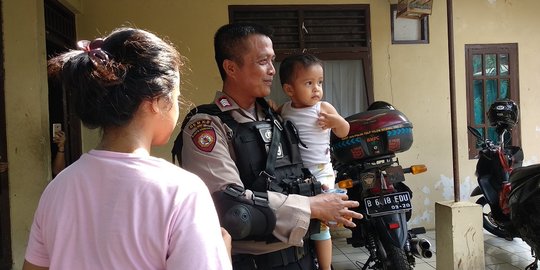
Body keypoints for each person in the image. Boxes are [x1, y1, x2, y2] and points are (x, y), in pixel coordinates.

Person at [23, 27, 231, 270]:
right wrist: (222, 253)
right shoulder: (182, 191)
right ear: (156, 101)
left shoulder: (57, 188)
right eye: (176, 96)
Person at [175, 22, 362, 270]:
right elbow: (231, 207)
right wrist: (311, 207)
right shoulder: (208, 126)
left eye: (273, 61)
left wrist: (328, 204)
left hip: (304, 256)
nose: (272, 70)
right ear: (231, 67)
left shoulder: (279, 117)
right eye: (263, 61)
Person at [276, 53, 350, 270]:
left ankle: (326, 267)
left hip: (320, 171)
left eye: (319, 82)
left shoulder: (323, 108)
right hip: (295, 173)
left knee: (322, 223)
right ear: (289, 90)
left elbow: (344, 131)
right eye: (309, 83)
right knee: (302, 217)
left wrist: (336, 121)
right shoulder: (286, 109)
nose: (316, 88)